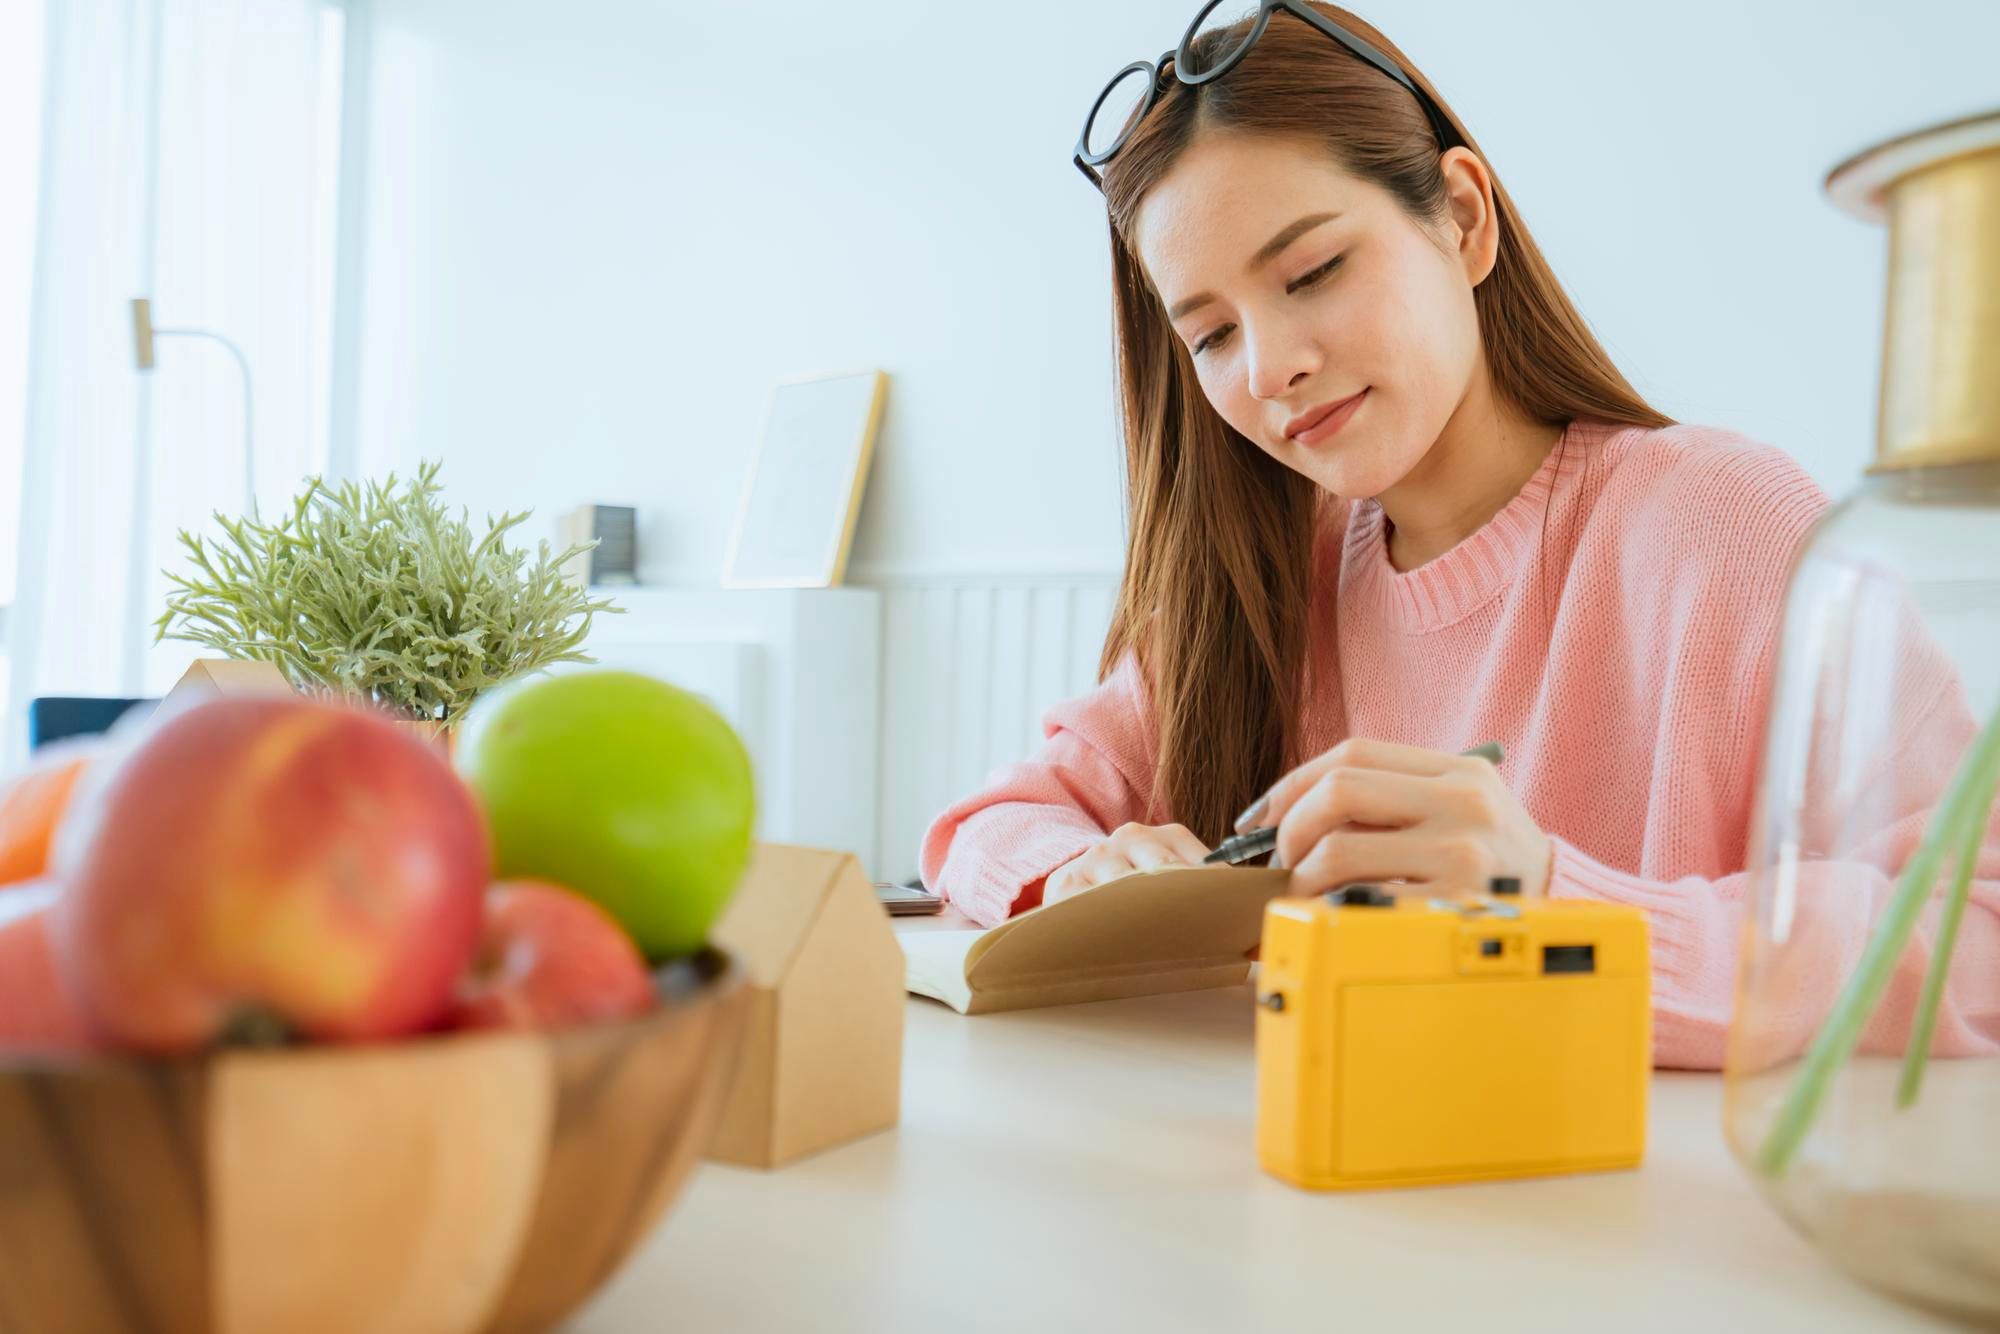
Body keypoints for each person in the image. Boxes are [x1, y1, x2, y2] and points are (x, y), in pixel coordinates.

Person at [918, 1, 2000, 1069]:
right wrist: (1077, 881)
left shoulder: (1725, 525)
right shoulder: (1261, 585)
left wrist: (1547, 904)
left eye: (1311, 272)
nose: (1266, 368)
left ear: (1463, 218)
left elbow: (1975, 932)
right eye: (1209, 334)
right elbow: (986, 823)